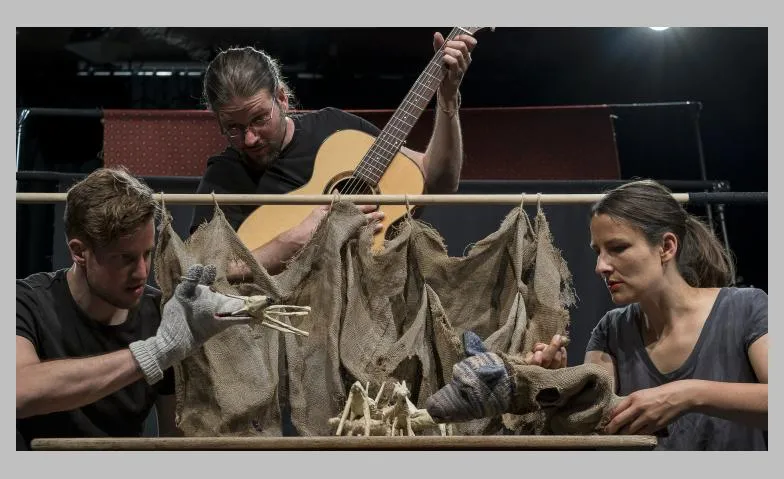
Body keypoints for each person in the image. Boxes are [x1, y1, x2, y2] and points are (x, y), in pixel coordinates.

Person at [425, 180, 768, 450]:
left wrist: (687, 394)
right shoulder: (612, 330)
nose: (601, 266)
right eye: (598, 252)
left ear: (666, 247)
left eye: (618, 248)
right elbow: (596, 424)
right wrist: (556, 384)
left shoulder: (746, 308)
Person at [189, 31, 477, 274]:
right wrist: (293, 241)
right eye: (233, 128)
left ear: (282, 99)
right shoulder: (223, 178)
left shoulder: (337, 129)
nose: (249, 138)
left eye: (259, 119)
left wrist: (448, 99)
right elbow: (202, 272)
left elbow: (440, 180)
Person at [16, 168, 250, 450]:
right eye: (125, 258)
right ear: (79, 252)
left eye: (147, 254)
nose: (141, 272)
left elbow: (175, 440)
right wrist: (155, 351)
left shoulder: (162, 315)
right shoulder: (25, 302)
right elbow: (18, 391)